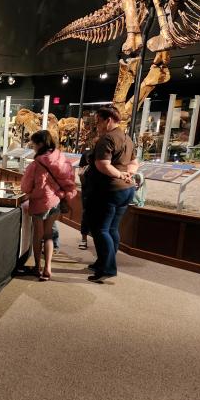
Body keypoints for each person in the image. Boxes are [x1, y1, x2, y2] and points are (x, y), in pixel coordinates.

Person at [85, 106, 138, 283]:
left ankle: (107, 267)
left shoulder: (107, 138)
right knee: (112, 228)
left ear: (108, 120)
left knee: (101, 230)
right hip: (125, 190)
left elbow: (102, 164)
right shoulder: (127, 138)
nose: (97, 125)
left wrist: (120, 174)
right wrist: (128, 174)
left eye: (98, 121)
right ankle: (103, 262)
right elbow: (134, 162)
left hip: (108, 191)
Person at [20, 130, 77, 281]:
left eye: (34, 144)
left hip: (39, 202)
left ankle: (37, 267)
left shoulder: (37, 163)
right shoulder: (61, 158)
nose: (33, 147)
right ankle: (48, 268)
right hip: (56, 201)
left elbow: (26, 187)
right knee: (49, 235)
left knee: (37, 236)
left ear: (40, 144)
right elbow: (70, 177)